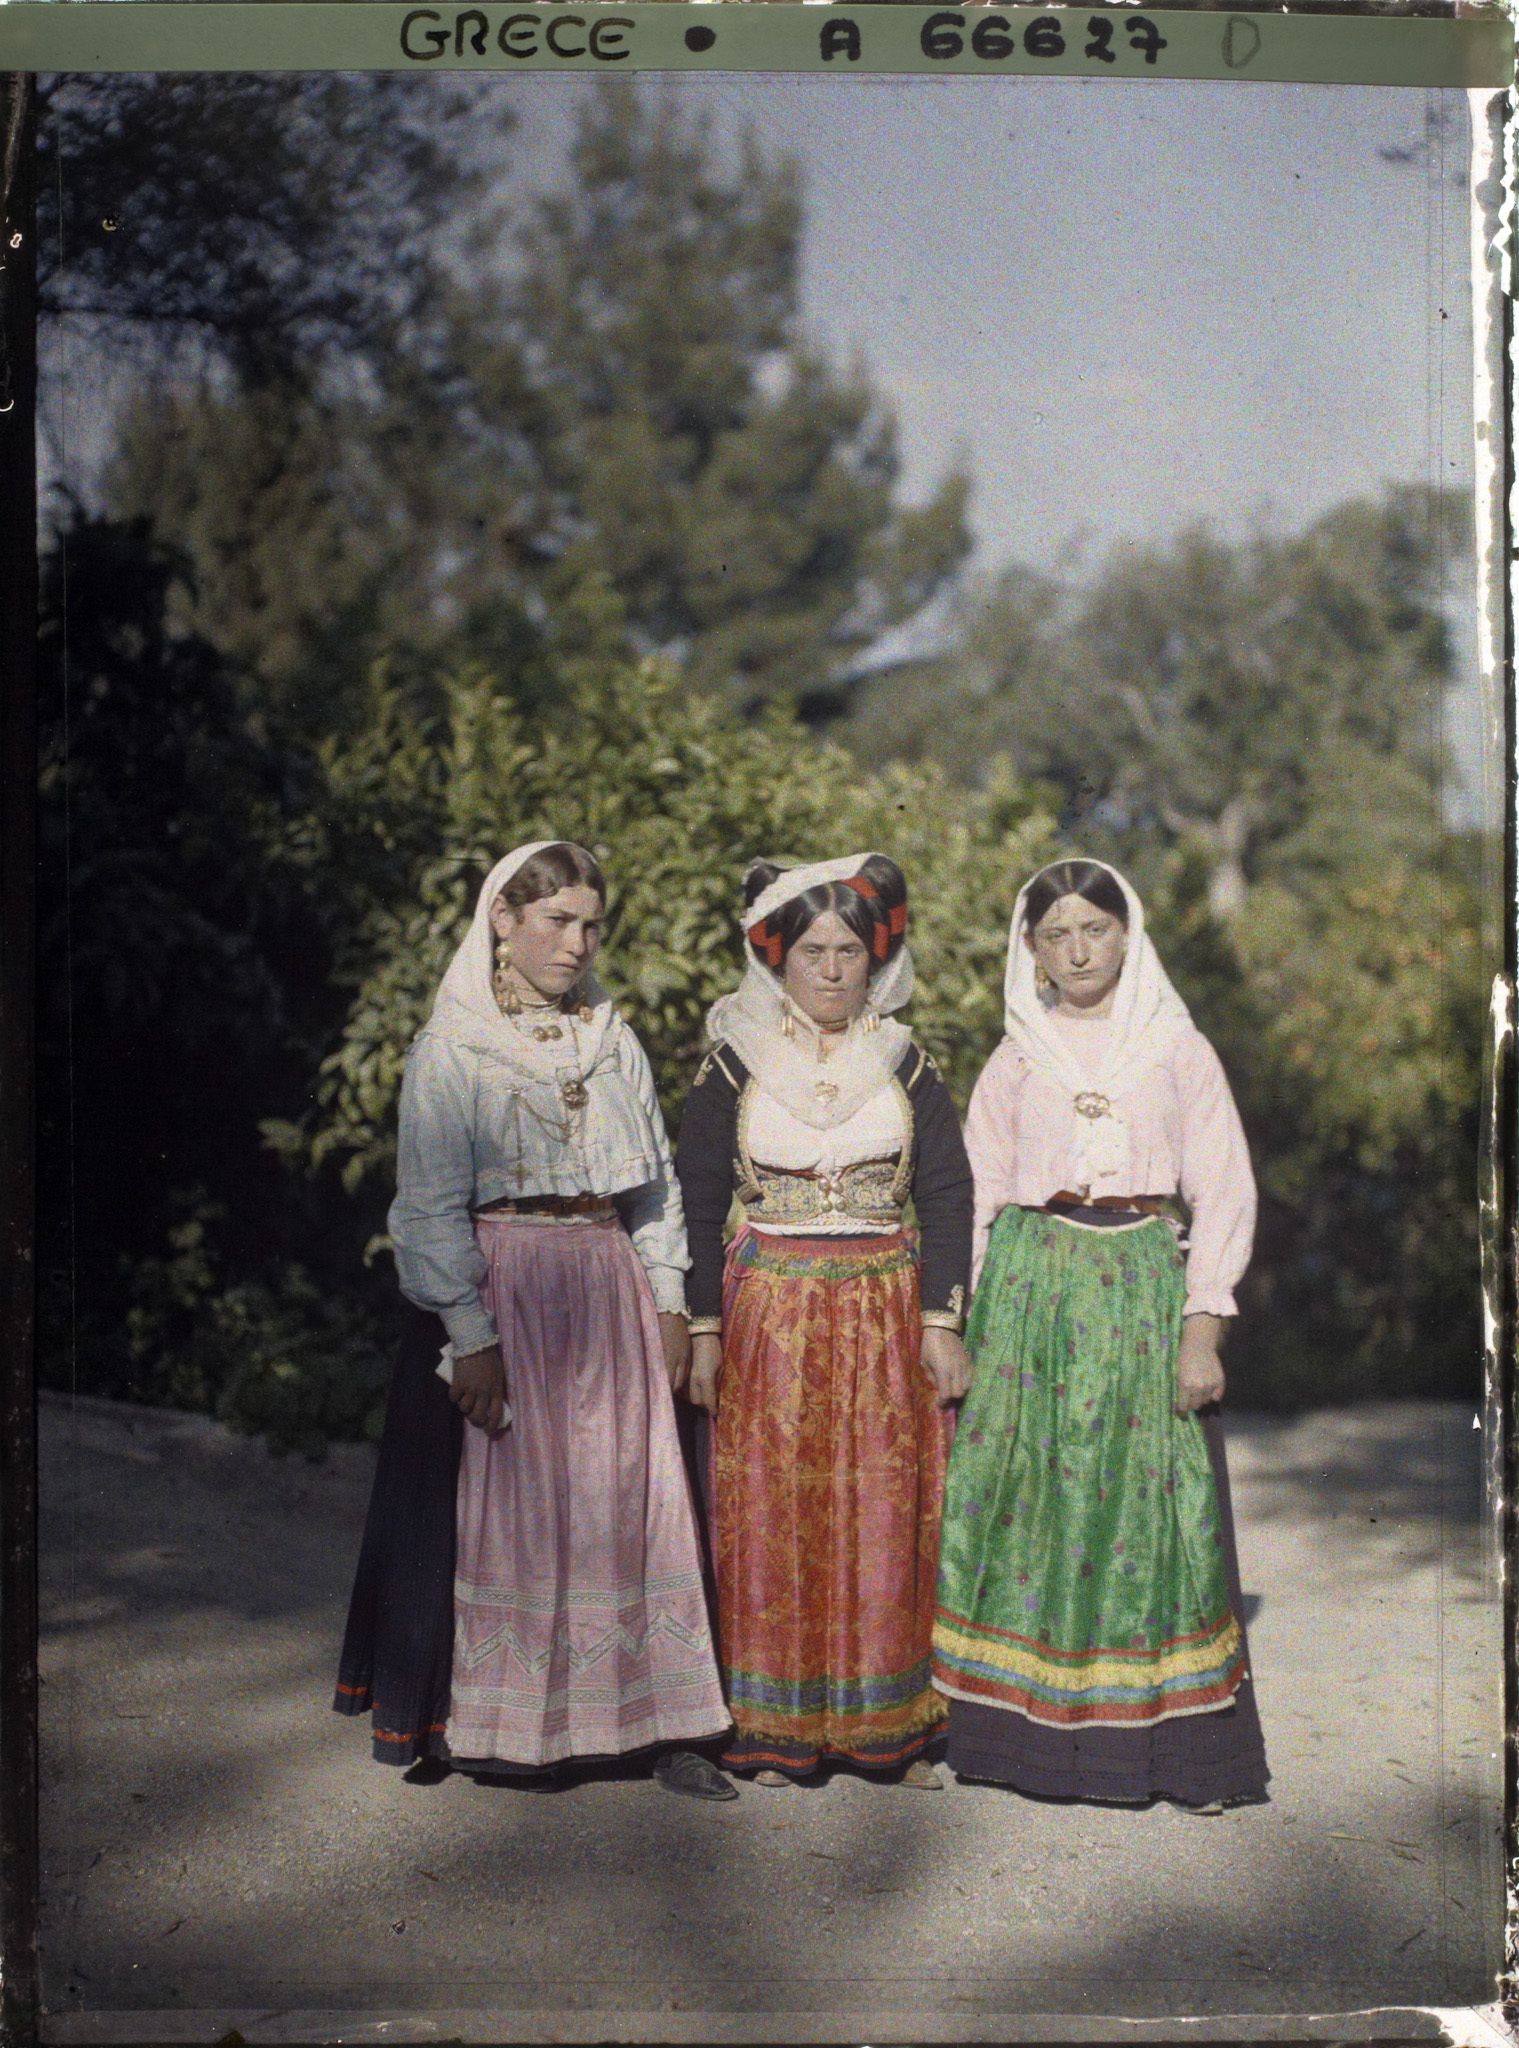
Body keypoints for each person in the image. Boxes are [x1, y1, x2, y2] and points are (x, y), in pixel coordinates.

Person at [334, 840, 733, 1798]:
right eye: (555, 920)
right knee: (509, 1501)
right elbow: (427, 1205)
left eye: (590, 924)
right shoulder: (455, 1045)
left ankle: (660, 1724)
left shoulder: (611, 1038)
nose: (575, 942)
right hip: (503, 1283)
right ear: (503, 922)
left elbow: (654, 1188)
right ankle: (505, 1723)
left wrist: (670, 1298)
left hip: (607, 1286)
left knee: (628, 1498)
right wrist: (467, 1336)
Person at [931, 857, 1270, 1810]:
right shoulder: (1016, 1056)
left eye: (1095, 929)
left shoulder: (1176, 1049)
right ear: (1030, 949)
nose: (1078, 951)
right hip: (1033, 1293)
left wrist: (1200, 1332)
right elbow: (981, 1197)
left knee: (1148, 1509)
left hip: (1137, 1291)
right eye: (1056, 935)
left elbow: (1223, 1188)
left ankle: (1160, 1754)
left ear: (1128, 936)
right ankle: (1014, 1742)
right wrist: (961, 1322)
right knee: (1030, 1501)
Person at [675, 853, 973, 1788]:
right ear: (776, 957)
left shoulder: (905, 1061)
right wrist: (702, 1329)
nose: (834, 970)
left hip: (885, 1303)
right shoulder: (731, 1063)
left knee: (883, 1509)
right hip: (769, 1305)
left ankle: (887, 1729)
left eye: (850, 950)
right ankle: (775, 1732)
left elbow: (948, 1191)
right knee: (772, 1508)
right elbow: (693, 1197)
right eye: (813, 950)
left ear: (874, 958)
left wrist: (941, 1320)